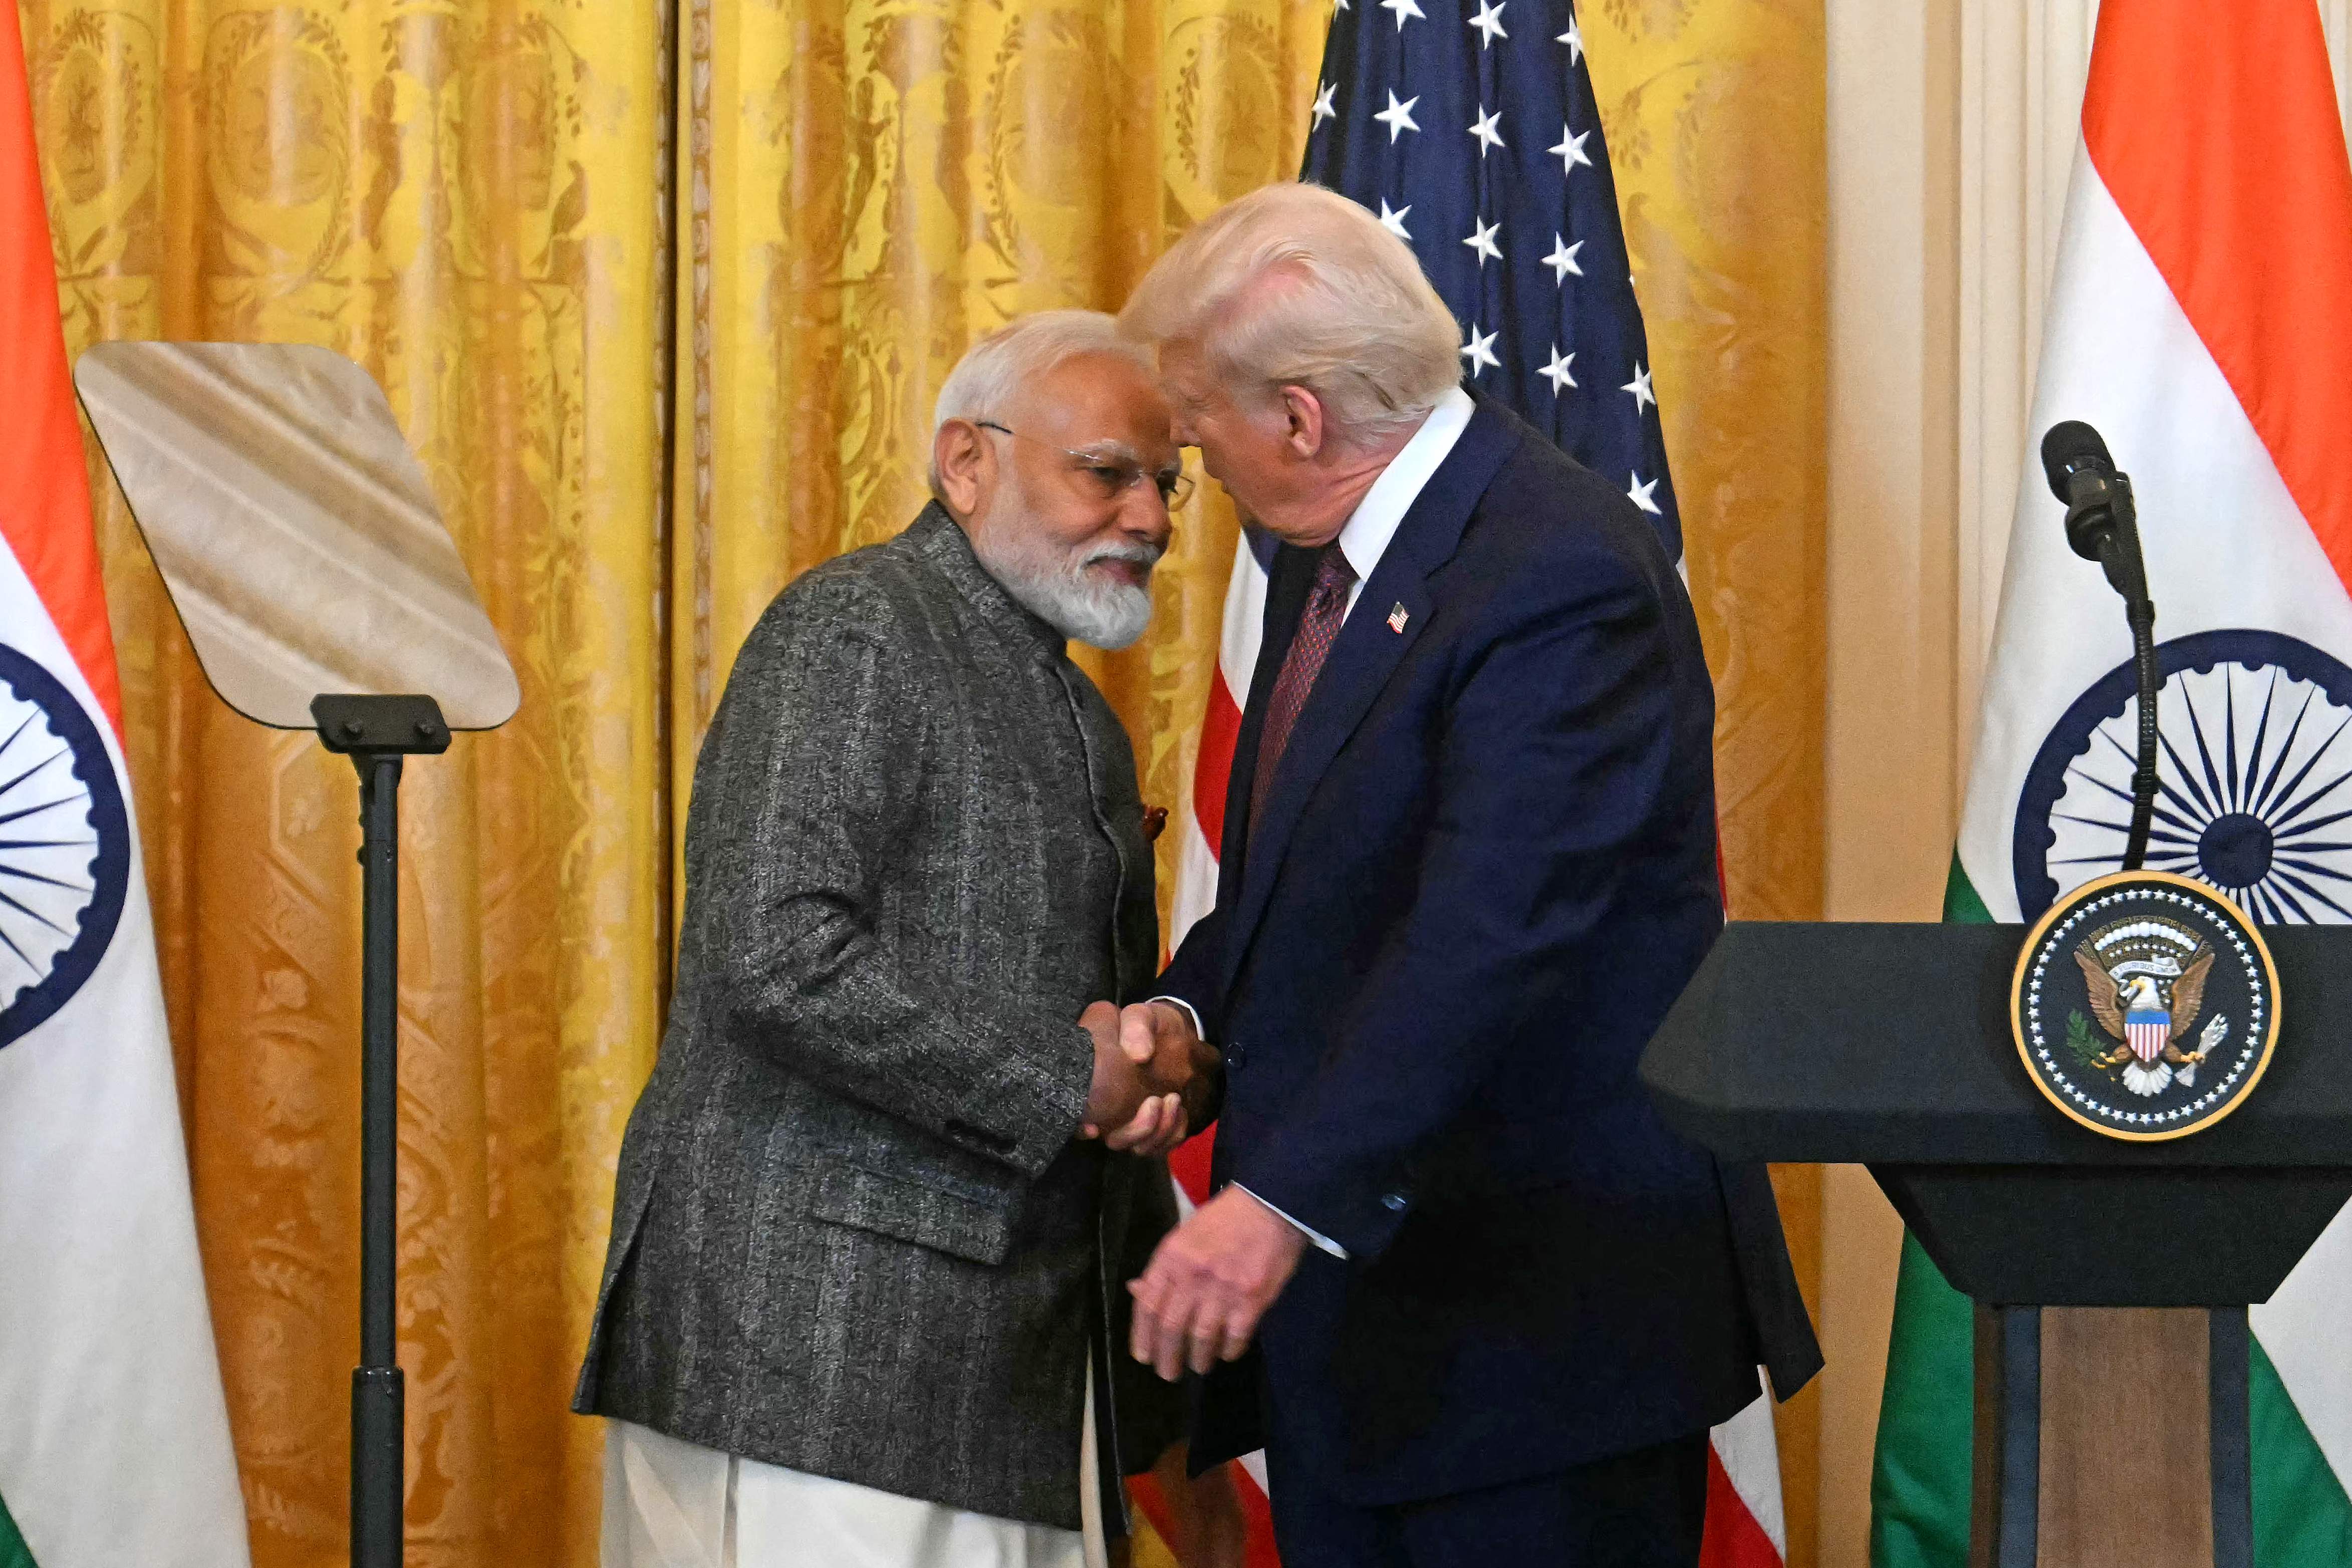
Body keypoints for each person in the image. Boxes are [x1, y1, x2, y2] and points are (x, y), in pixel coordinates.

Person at [1108, 184, 1822, 1567]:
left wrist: (1276, 1204)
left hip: (1532, 1360)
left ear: (1301, 420)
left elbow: (1487, 936)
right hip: (1383, 1352)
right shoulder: (1351, 569)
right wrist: (1190, 1022)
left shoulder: (1554, 572)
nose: (1194, 482)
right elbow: (1312, 888)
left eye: (1198, 439)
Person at [574, 310, 1218, 1568]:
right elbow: (772, 952)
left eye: (1165, 483)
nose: (1147, 517)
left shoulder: (1072, 705)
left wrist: (1153, 1076)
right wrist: (1067, 1075)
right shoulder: (859, 625)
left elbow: (1080, 1023)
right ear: (964, 463)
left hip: (1014, 1378)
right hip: (810, 1362)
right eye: (1105, 472)